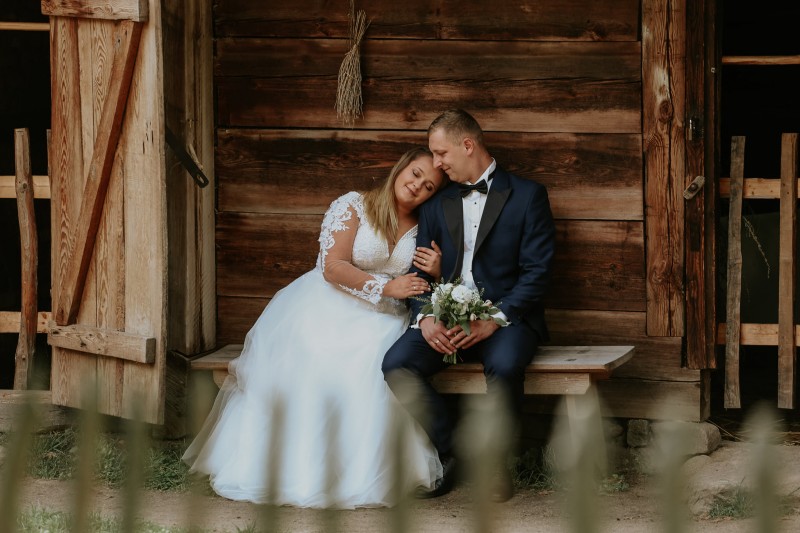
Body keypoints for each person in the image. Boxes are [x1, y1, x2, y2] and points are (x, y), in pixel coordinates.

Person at [183, 147, 448, 509]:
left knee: (377, 366)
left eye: (429, 186)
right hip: (329, 304)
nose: (418, 186)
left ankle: (356, 471)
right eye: (416, 174)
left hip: (386, 318)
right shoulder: (355, 205)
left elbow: (424, 282)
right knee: (319, 357)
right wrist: (386, 287)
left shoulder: (424, 227)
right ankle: (300, 468)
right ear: (401, 168)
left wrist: (436, 272)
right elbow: (332, 266)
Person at [382, 109, 556, 502]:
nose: (437, 163)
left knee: (506, 365)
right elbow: (420, 269)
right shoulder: (436, 204)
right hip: (445, 316)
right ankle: (455, 452)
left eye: (440, 153)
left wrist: (494, 319)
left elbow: (538, 272)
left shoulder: (528, 196)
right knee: (397, 364)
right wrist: (425, 315)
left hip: (508, 318)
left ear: (467, 145)